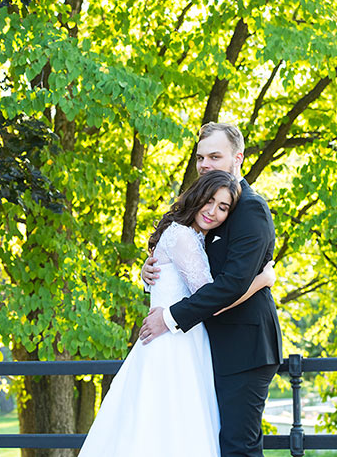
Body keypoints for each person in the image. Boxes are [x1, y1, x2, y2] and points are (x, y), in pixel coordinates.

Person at [78, 170, 275, 457]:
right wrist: (262, 281)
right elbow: (213, 298)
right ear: (197, 197)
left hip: (179, 338)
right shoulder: (183, 237)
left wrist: (145, 277)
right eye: (209, 201)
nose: (213, 212)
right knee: (174, 427)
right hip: (176, 343)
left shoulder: (187, 235)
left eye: (223, 208)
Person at [139, 122, 283, 457]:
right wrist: (148, 272)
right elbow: (179, 262)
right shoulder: (203, 210)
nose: (205, 164)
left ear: (238, 159)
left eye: (215, 156)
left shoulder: (249, 207)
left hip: (245, 348)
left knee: (237, 447)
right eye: (200, 157)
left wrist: (170, 317)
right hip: (206, 347)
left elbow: (230, 285)